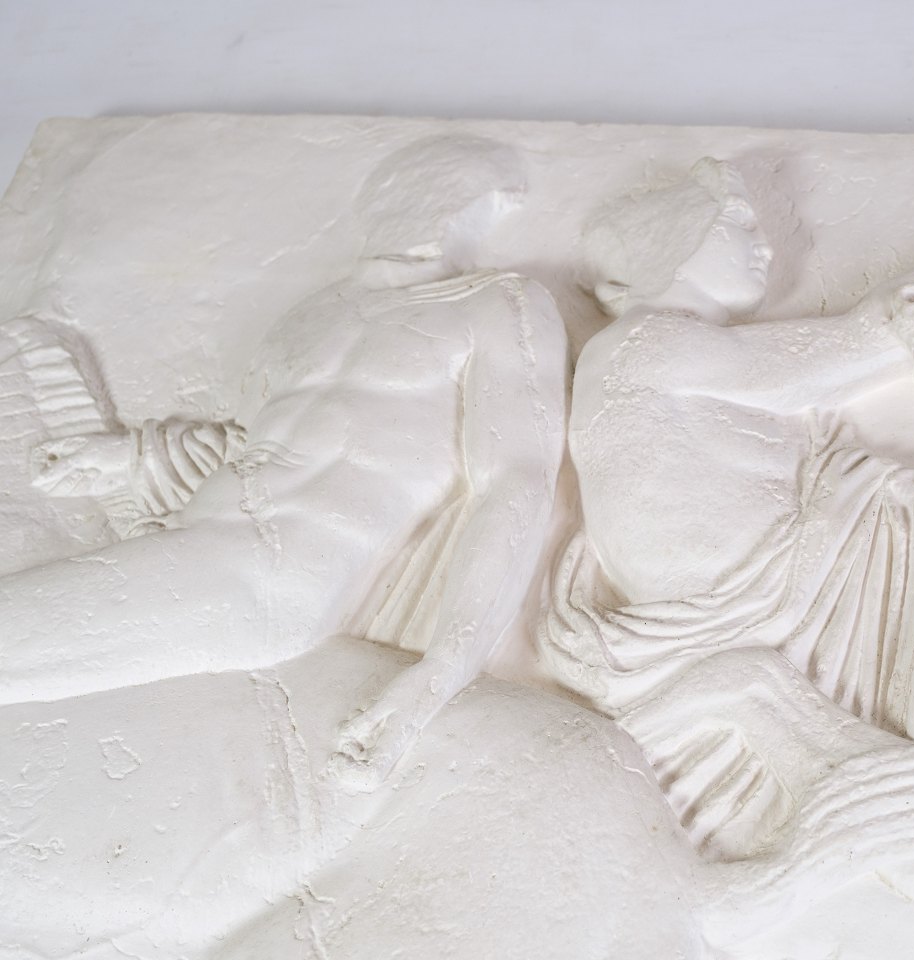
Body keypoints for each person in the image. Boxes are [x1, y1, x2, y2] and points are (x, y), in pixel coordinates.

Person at [0, 135, 568, 786]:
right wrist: (133, 457)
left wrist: (439, 673)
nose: (437, 211)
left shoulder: (495, 304)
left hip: (272, 573)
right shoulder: (312, 316)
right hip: (201, 544)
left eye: (464, 196)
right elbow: (253, 445)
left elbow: (515, 482)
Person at [542, 158, 914, 732]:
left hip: (780, 586)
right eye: (738, 225)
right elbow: (868, 339)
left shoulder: (648, 350)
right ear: (674, 243)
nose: (763, 247)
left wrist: (897, 494)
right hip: (762, 603)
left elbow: (846, 371)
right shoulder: (650, 344)